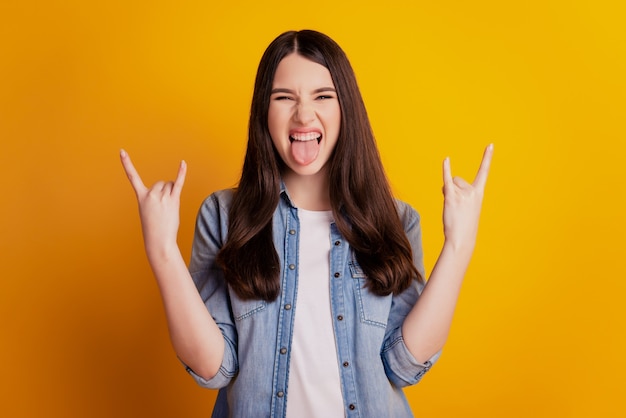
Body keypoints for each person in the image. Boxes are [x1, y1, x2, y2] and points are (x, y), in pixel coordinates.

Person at [120, 29, 493, 418]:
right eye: (284, 97)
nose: (303, 114)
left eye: (323, 96)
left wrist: (458, 247)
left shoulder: (395, 221)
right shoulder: (224, 216)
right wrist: (162, 251)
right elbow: (214, 368)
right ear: (264, 112)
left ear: (345, 107)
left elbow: (404, 366)